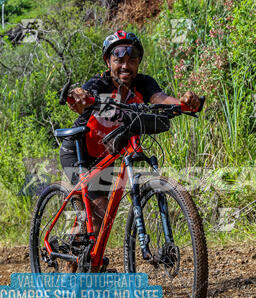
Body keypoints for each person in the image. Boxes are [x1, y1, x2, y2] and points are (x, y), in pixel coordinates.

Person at [59, 29, 200, 251]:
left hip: (106, 154)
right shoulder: (100, 84)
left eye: (132, 59)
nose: (126, 65)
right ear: (108, 61)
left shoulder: (143, 83)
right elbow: (84, 95)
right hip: (78, 150)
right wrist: (78, 96)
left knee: (98, 217)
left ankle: (90, 264)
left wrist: (182, 102)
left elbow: (159, 98)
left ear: (138, 63)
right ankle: (73, 267)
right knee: (95, 212)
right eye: (119, 59)